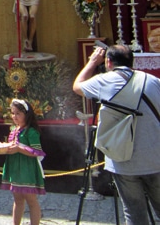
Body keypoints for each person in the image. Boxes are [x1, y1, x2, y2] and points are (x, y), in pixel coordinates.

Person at [73, 44, 160, 225]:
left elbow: (77, 87)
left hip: (123, 159)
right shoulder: (152, 80)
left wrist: (91, 63)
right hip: (155, 156)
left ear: (108, 62)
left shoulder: (104, 80)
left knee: (135, 213)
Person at [0, 98, 46, 225]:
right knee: (17, 199)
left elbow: (37, 151)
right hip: (15, 168)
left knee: (31, 200)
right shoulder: (14, 130)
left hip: (27, 169)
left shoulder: (31, 131)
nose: (14, 116)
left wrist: (19, 149)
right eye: (13, 113)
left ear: (27, 114)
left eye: (18, 113)